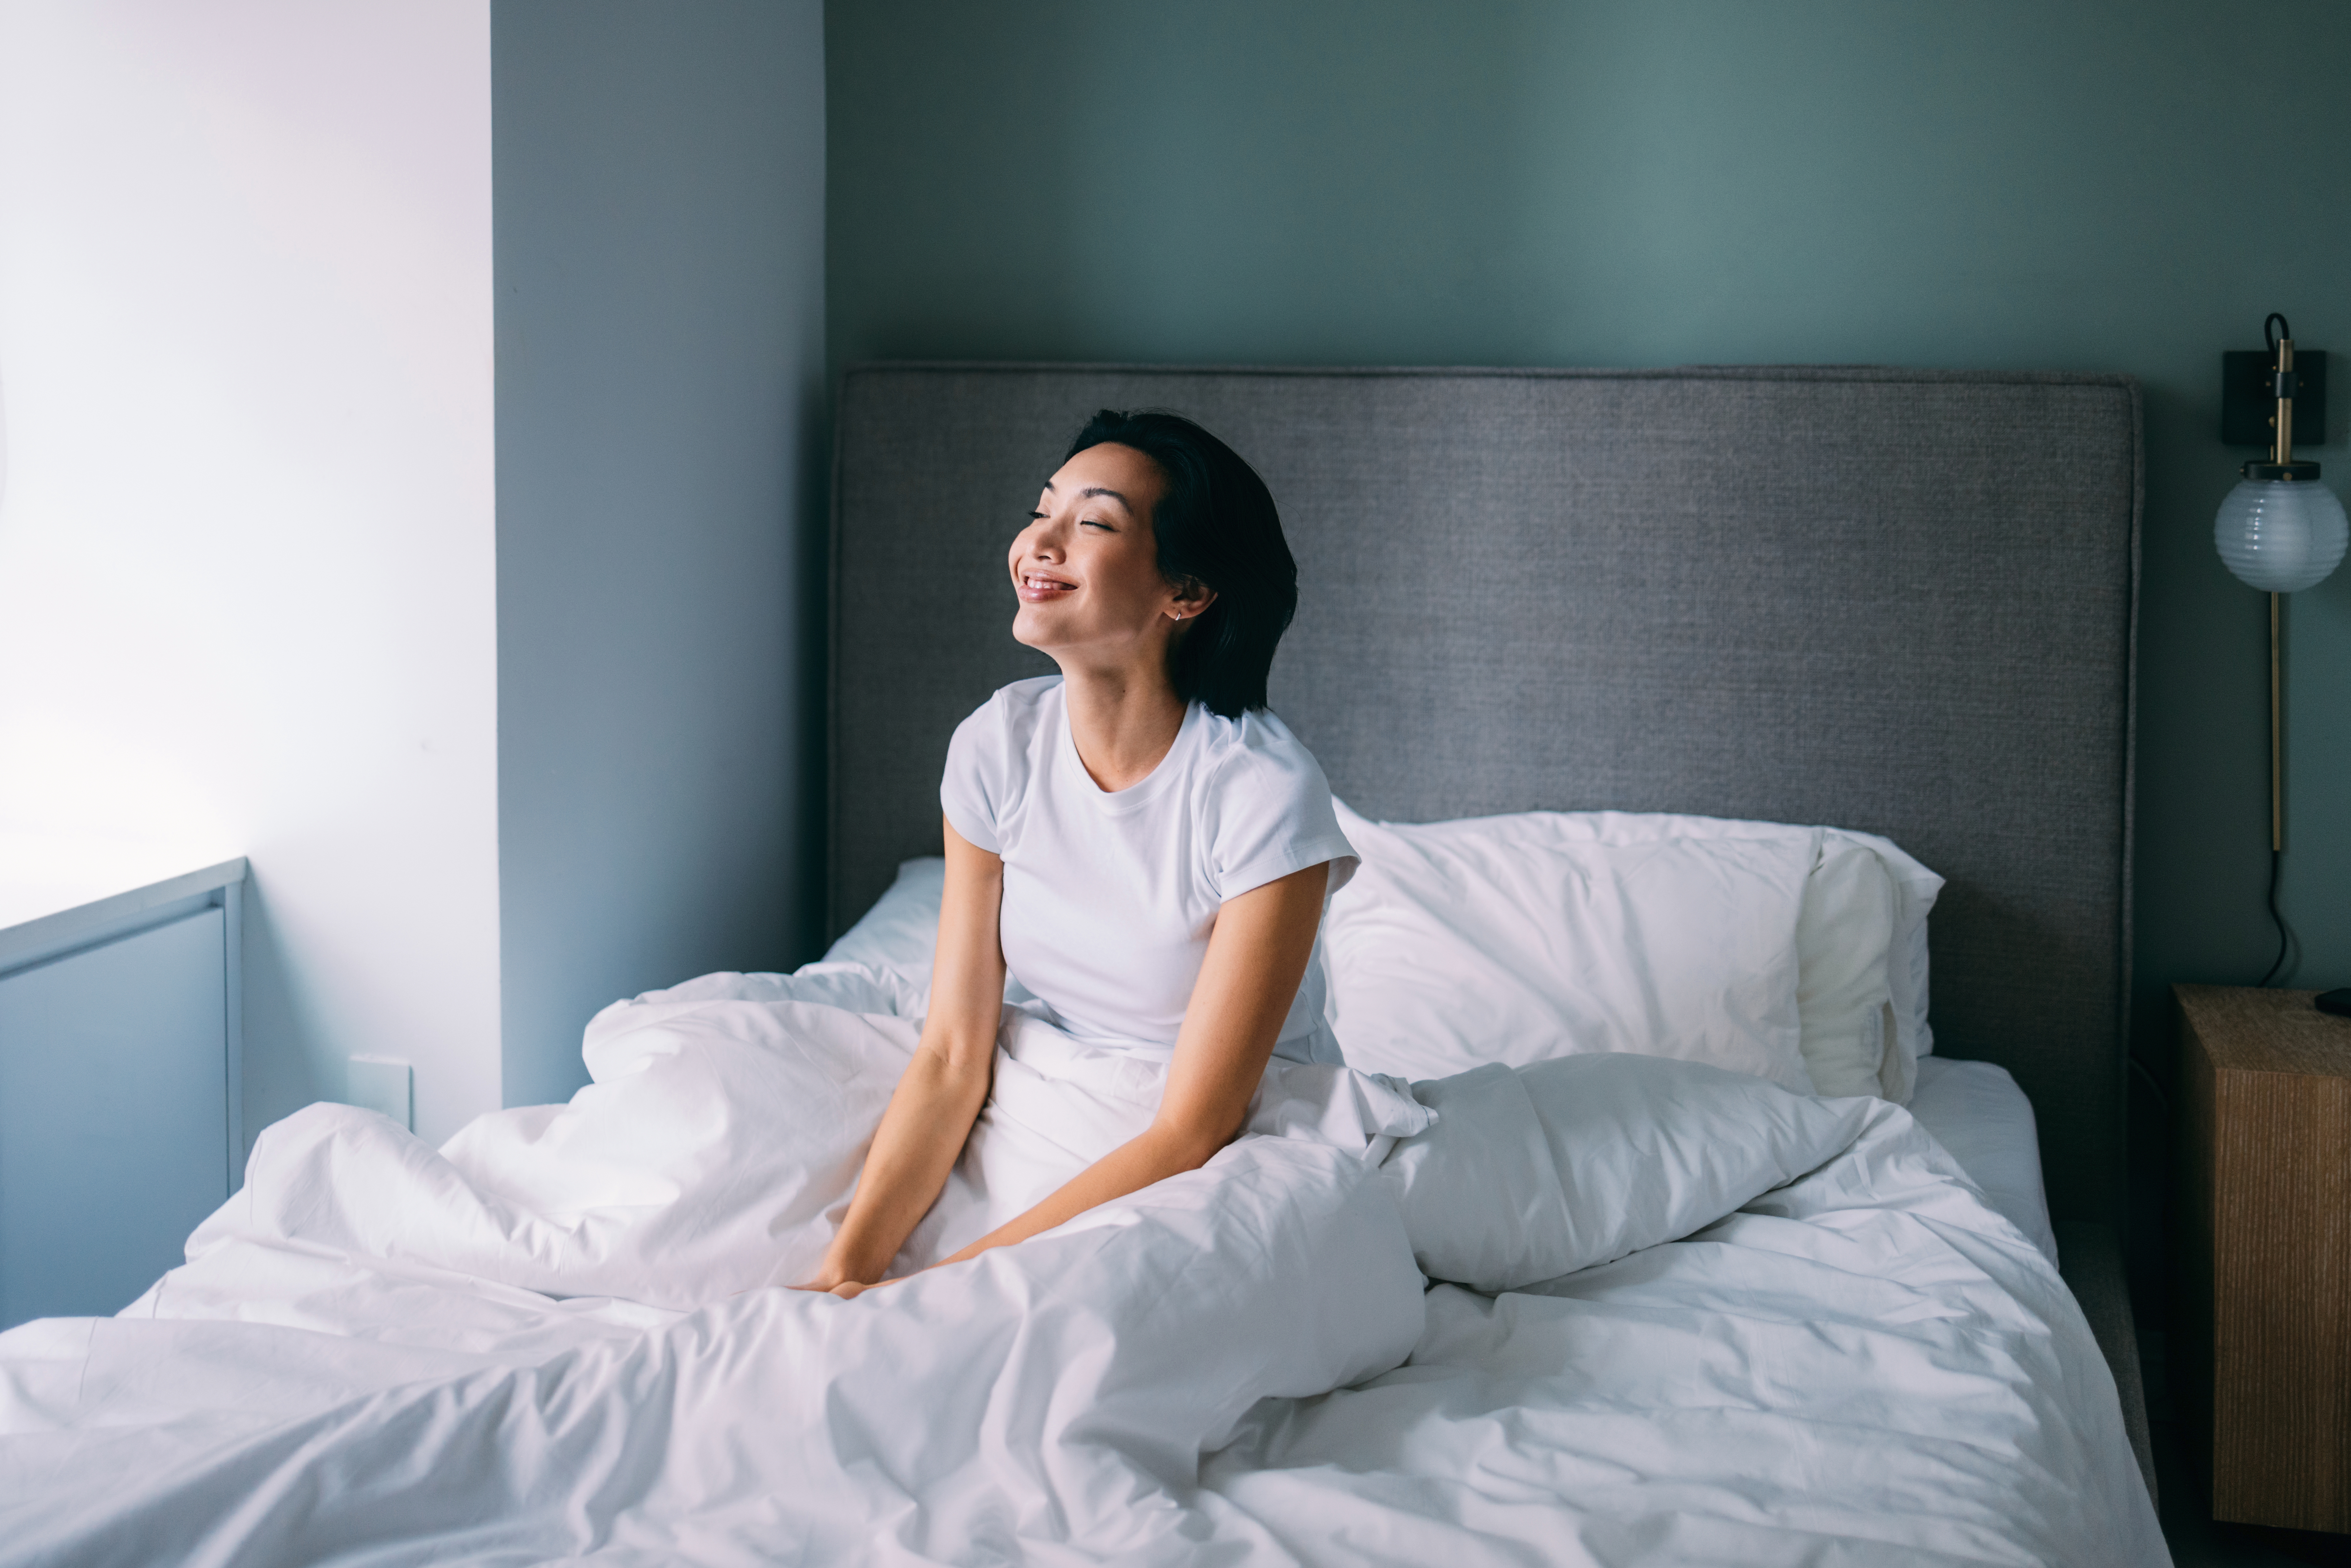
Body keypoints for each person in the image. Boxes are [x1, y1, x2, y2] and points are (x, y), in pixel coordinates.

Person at [798, 410, 1357, 1296]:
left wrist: (940, 1289)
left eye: (1092, 524)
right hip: (1051, 1089)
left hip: (1222, 1142)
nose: (1038, 544)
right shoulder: (995, 747)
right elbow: (951, 1054)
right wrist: (849, 1272)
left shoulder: (1261, 792)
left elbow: (1195, 1128)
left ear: (1189, 592)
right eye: (1041, 511)